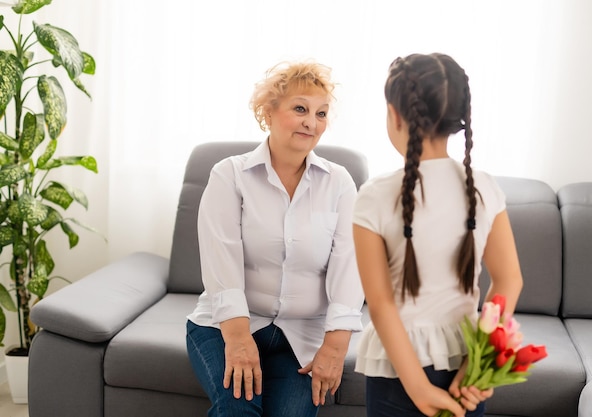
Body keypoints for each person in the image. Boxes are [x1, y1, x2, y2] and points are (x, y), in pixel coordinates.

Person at [186, 60, 365, 417]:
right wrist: (237, 340)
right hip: (226, 326)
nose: (311, 122)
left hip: (301, 335)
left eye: (321, 113)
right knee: (238, 410)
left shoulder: (340, 182)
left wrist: (335, 344)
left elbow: (351, 267)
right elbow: (221, 261)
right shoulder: (229, 175)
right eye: (300, 108)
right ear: (268, 112)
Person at [352, 53, 524, 417]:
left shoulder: (374, 195)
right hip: (466, 367)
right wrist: (476, 366)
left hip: (397, 370)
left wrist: (417, 387)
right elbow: (509, 280)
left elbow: (380, 304)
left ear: (395, 114)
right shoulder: (484, 188)